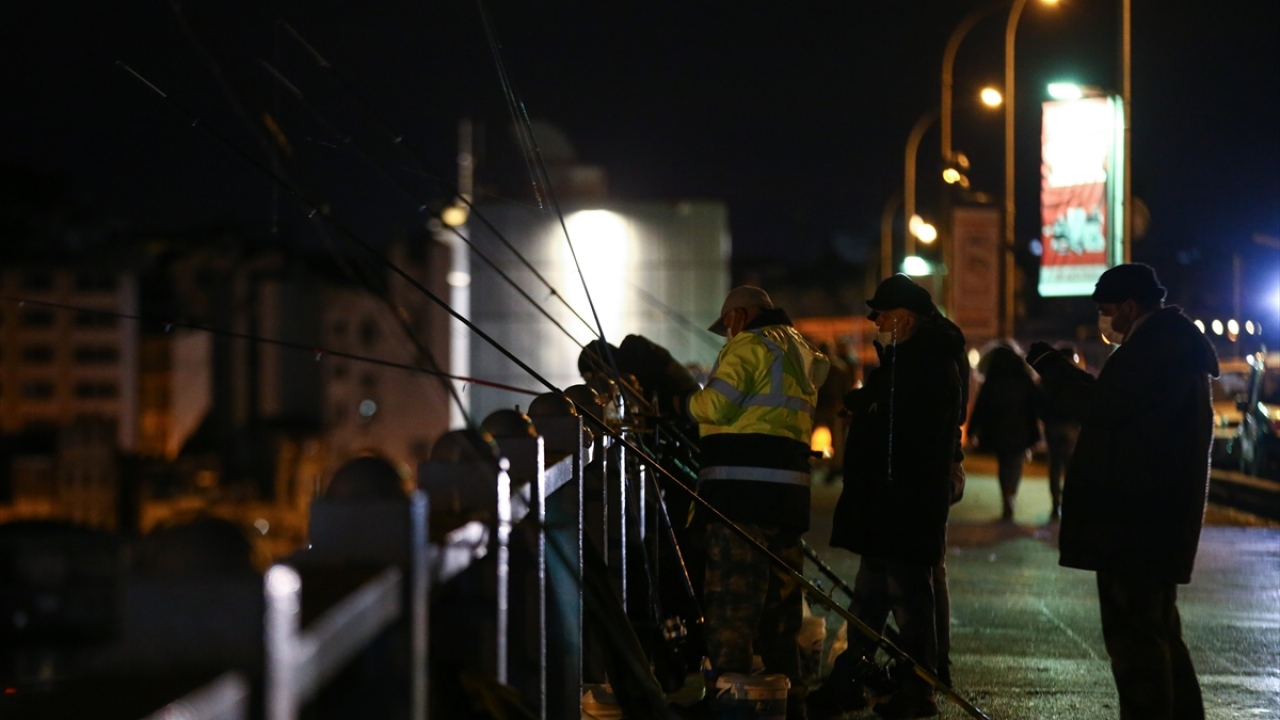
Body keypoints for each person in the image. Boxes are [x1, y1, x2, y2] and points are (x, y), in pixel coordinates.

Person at [1027, 263, 1216, 720]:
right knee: (1159, 631)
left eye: (1107, 310)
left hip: (1133, 521)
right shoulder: (1168, 346)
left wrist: (1053, 368)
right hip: (1155, 518)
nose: (1103, 320)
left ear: (1131, 307)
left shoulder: (1153, 348)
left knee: (1135, 640)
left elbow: (1101, 407)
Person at [809, 274, 964, 720]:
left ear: (908, 320)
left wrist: (873, 408)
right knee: (870, 601)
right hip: (889, 504)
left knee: (909, 601)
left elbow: (915, 439)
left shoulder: (926, 365)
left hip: (904, 504)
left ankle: (919, 690)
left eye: (883, 314)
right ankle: (848, 683)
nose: (876, 321)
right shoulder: (907, 363)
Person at [684, 285, 829, 719]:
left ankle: (727, 701)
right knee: (781, 608)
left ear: (737, 317)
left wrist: (684, 401)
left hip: (740, 494)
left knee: (733, 602)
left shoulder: (749, 345)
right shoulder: (800, 352)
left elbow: (717, 405)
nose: (726, 335)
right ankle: (791, 702)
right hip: (787, 494)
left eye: (726, 325)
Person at [968, 344, 1040, 522]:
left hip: (998, 431)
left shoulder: (992, 380)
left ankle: (1006, 495)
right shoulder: (1024, 379)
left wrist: (973, 430)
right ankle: (1011, 493)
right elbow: (1035, 406)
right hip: (1020, 431)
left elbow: (981, 408)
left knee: (1003, 464)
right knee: (1015, 464)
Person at [1036, 345, 1085, 521]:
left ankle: (1055, 505)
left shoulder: (1048, 378)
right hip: (1071, 426)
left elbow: (1040, 402)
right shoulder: (1076, 377)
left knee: (1055, 466)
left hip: (1052, 426)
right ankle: (1070, 504)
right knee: (1071, 467)